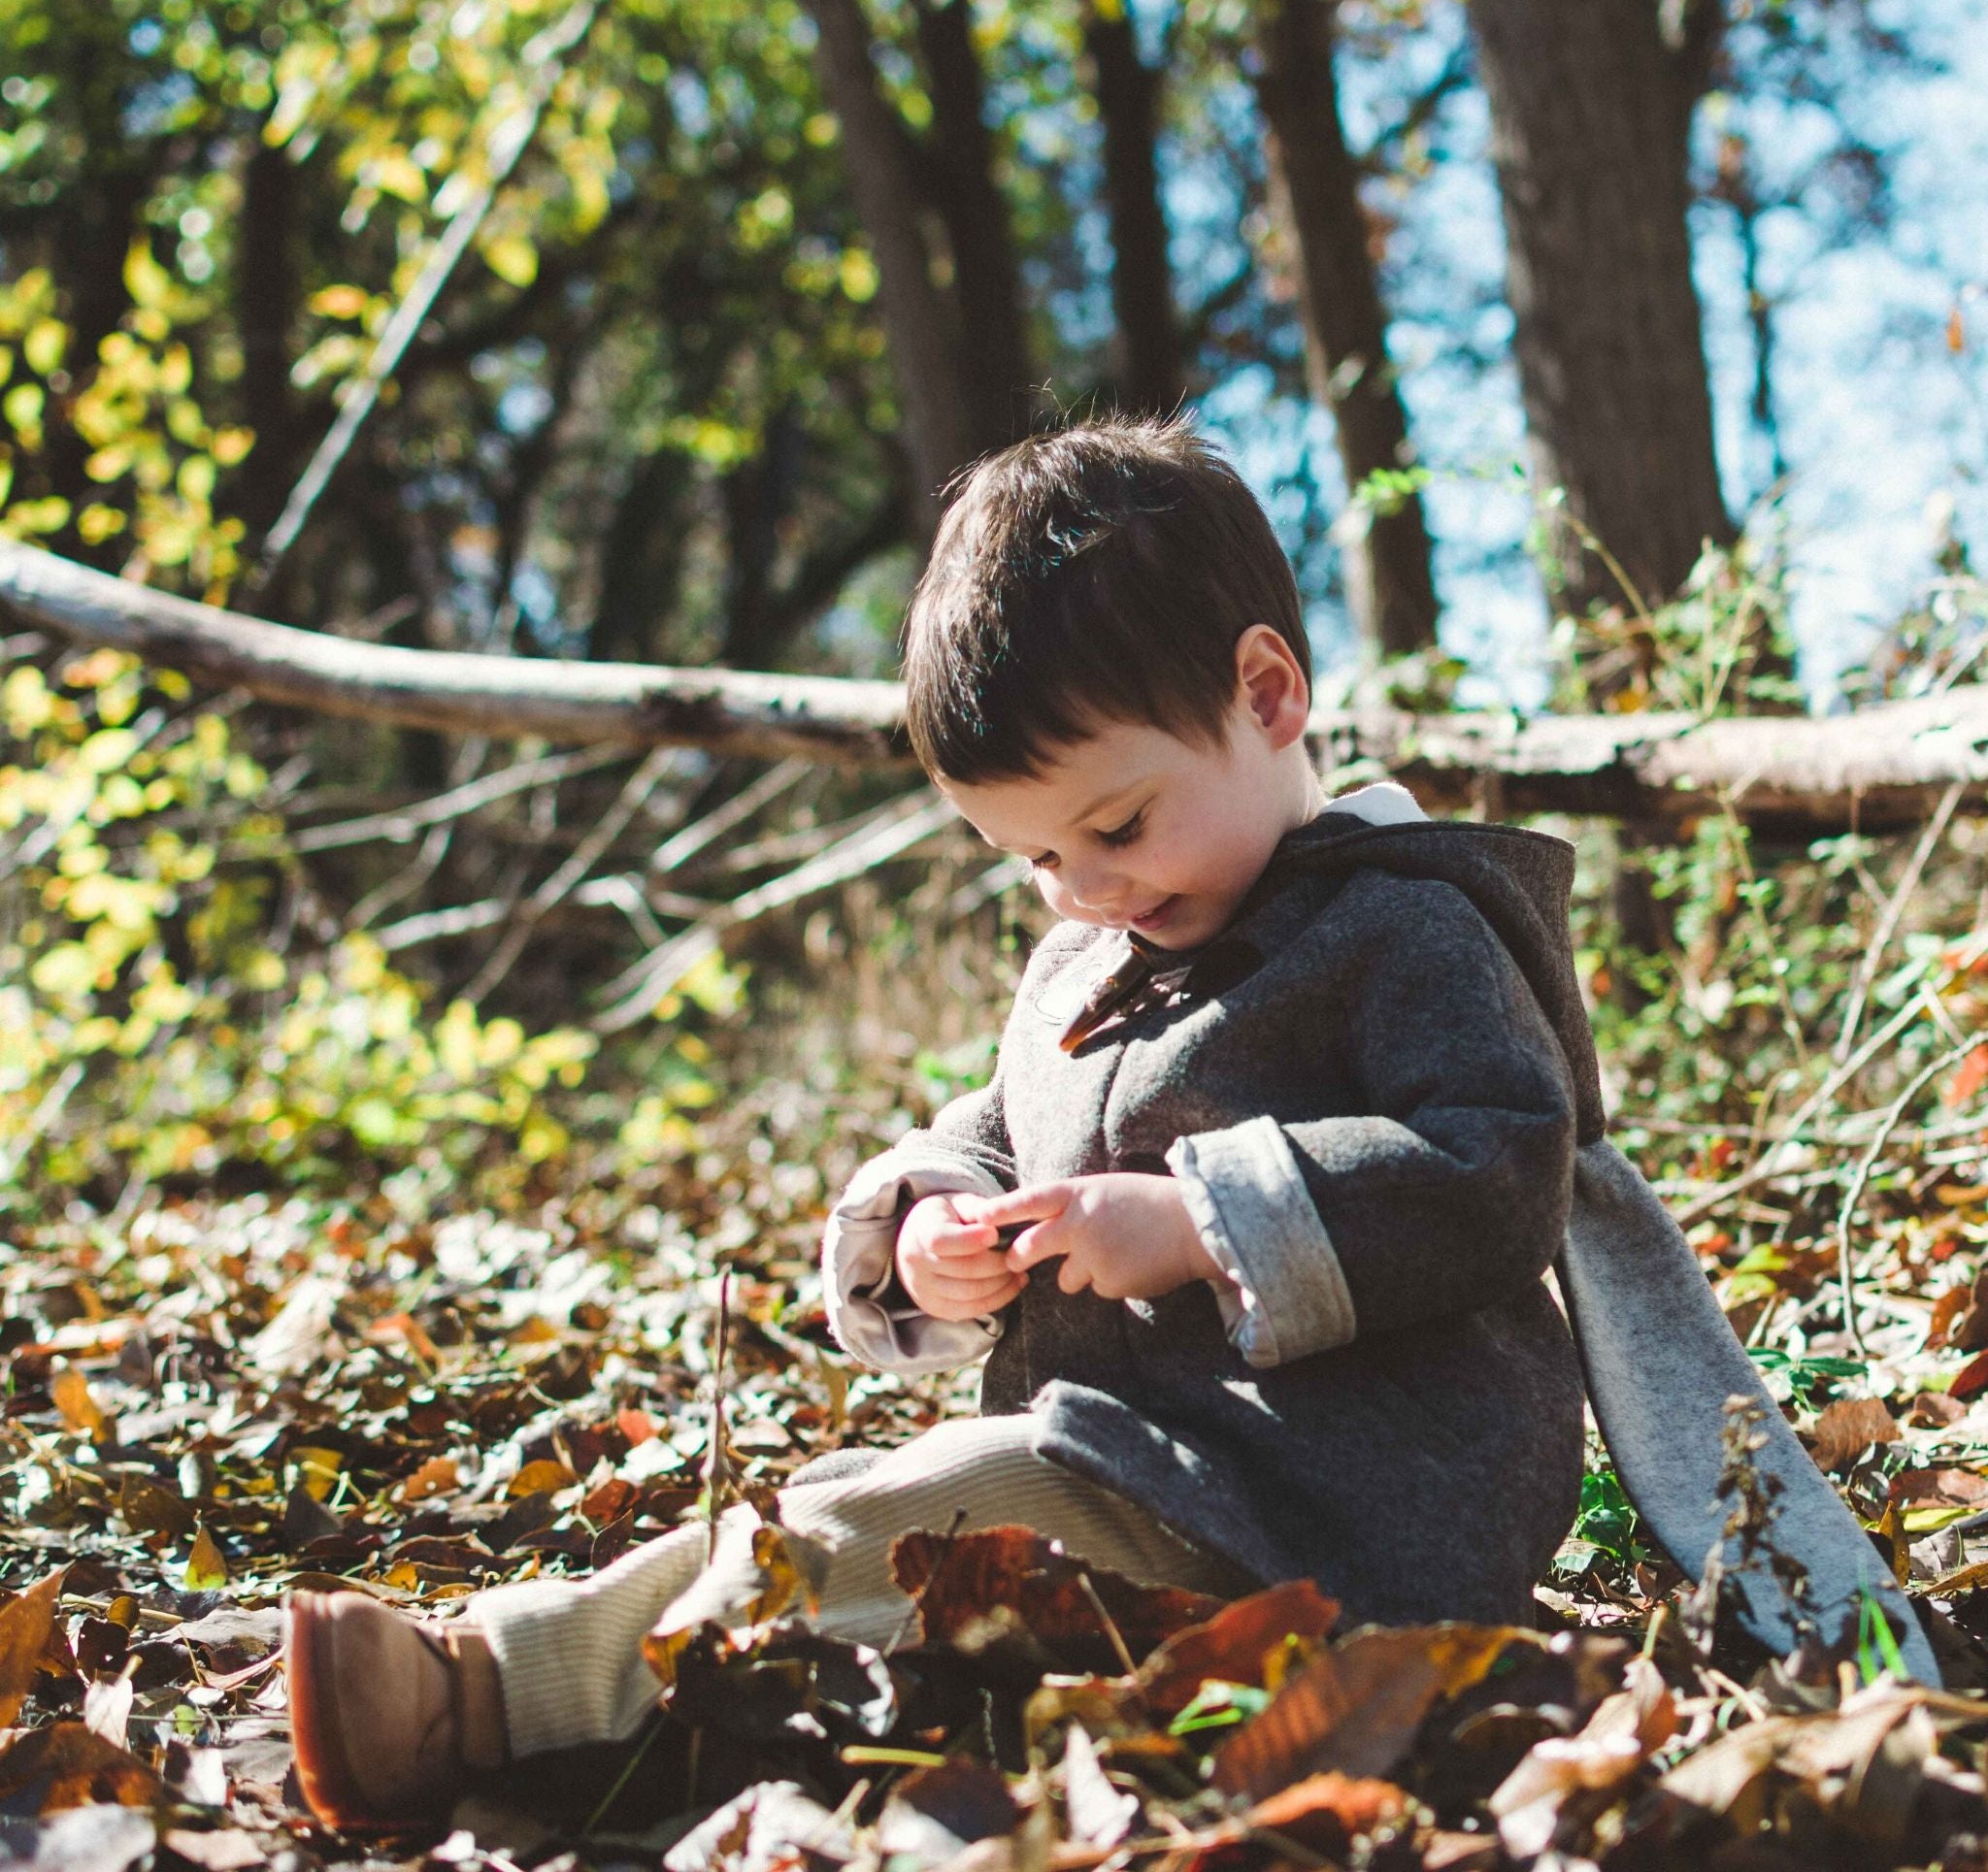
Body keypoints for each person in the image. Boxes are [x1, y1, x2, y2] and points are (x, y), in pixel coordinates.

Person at [286, 416, 1934, 1828]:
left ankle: (485, 1703)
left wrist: (1206, 1223)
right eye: (1033, 860)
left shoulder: (1405, 930)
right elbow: (1002, 1122)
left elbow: (1505, 1164)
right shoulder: (1106, 943)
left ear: (1270, 692)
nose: (1081, 886)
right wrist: (936, 1222)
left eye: (1116, 824)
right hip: (1135, 1463)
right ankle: (540, 1691)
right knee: (883, 1515)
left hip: (1336, 1499)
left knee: (880, 1526)